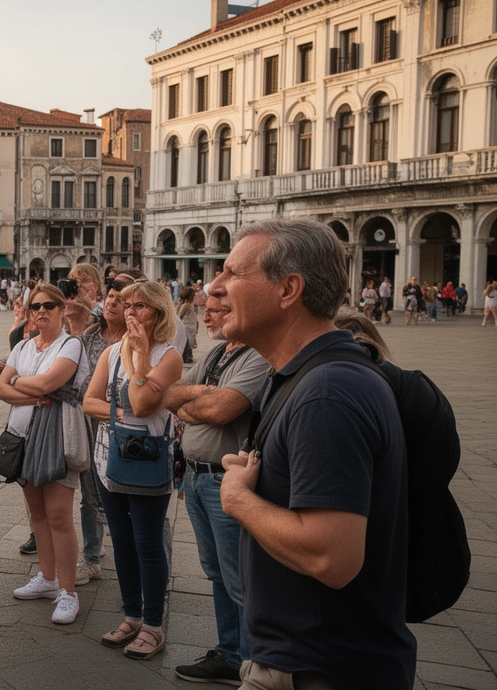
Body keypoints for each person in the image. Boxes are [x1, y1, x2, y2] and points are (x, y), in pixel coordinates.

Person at [209, 218, 414, 689]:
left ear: (289, 289)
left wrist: (239, 500)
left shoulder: (328, 391)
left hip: (315, 669)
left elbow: (332, 557)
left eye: (232, 273)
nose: (214, 288)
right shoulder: (310, 376)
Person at [163, 295, 271, 684]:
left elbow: (222, 410)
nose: (204, 315)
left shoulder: (258, 355)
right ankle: (230, 653)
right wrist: (199, 401)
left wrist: (197, 402)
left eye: (215, 309)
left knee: (238, 576)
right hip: (194, 476)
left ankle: (254, 664)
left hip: (224, 479)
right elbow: (171, 394)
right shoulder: (217, 354)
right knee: (217, 573)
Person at [82, 280, 182, 660]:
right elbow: (89, 401)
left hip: (149, 461)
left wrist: (140, 356)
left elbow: (142, 403)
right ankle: (132, 615)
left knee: (148, 542)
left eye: (141, 306)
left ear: (158, 313)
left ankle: (154, 626)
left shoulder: (168, 355)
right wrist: (118, 414)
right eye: (129, 305)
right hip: (108, 459)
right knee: (120, 540)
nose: (132, 312)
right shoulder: (110, 353)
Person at [0, 283, 88, 624]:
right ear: (29, 312)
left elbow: (49, 383)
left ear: (62, 310)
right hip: (22, 434)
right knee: (37, 514)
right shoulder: (23, 345)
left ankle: (68, 592)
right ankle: (47, 579)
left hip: (57, 436)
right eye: (36, 306)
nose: (42, 311)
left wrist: (18, 381)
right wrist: (25, 387)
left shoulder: (72, 345)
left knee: (59, 514)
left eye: (50, 305)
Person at [72, 272, 134, 583]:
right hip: (89, 423)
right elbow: (79, 381)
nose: (111, 302)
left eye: (119, 300)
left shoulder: (135, 343)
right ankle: (91, 557)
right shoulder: (89, 337)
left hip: (125, 428)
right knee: (90, 492)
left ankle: (135, 556)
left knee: (129, 493)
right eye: (109, 298)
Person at [176, 287, 199, 363]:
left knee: (190, 342)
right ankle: (186, 357)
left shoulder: (190, 304)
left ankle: (189, 357)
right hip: (186, 326)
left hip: (191, 326)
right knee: (187, 342)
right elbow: (179, 315)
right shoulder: (186, 305)